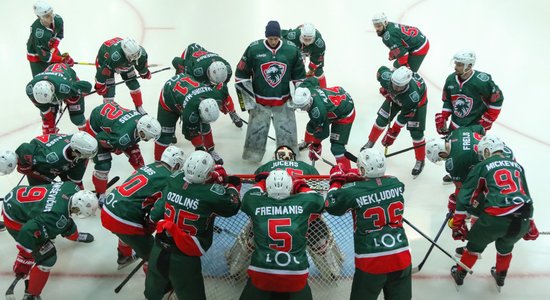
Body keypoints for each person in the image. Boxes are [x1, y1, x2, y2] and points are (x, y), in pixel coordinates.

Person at [226, 146, 343, 281]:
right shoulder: (307, 167)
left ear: (276, 157)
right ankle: (333, 273)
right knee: (321, 241)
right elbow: (318, 196)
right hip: (304, 217)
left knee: (250, 239)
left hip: (267, 216)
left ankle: (235, 271)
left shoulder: (266, 167)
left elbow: (256, 195)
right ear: (293, 157)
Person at [144, 150, 241, 300]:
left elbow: (156, 215)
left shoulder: (173, 179)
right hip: (184, 256)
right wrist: (231, 185)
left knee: (153, 291)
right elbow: (232, 205)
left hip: (158, 247)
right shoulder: (212, 194)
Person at [448, 135, 539, 290]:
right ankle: (501, 275)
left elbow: (466, 196)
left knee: (474, 247)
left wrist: (458, 223)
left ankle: (460, 273)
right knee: (506, 248)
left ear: (488, 151)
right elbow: (526, 196)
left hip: (494, 220)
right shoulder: (517, 166)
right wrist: (530, 223)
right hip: (522, 218)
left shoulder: (483, 166)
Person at [325, 149, 411, 300]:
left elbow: (331, 204)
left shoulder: (353, 191)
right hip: (401, 256)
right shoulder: (396, 183)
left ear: (363, 168)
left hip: (372, 261)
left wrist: (336, 181)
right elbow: (381, 184)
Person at [2, 181, 98, 300]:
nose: (77, 214)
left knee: (64, 222)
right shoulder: (55, 217)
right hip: (15, 219)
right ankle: (31, 294)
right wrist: (25, 258)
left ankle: (75, 236)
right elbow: (27, 231)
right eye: (78, 211)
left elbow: (63, 217)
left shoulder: (71, 187)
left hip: (17, 197)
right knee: (48, 258)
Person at [239, 170, 325, 300]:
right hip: (296, 271)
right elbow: (319, 200)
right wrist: (301, 185)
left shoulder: (254, 201)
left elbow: (249, 195)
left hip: (262, 269)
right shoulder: (305, 201)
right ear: (290, 187)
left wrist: (262, 182)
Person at [101, 146, 185, 269]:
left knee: (129, 234)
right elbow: (158, 211)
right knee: (155, 255)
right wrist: (151, 225)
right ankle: (159, 286)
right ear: (177, 165)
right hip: (123, 218)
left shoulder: (151, 166)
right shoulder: (170, 180)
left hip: (108, 208)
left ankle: (125, 256)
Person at [235, 20, 306, 162]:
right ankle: (252, 156)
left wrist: (298, 98)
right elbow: (241, 75)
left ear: (280, 36)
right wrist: (248, 102)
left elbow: (300, 76)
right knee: (256, 131)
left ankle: (288, 156)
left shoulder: (291, 50)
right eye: (270, 38)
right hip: (260, 102)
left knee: (287, 132)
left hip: (284, 100)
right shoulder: (254, 49)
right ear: (266, 36)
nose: (273, 41)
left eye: (276, 38)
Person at [84, 102, 161, 203]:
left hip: (116, 124)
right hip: (97, 126)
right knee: (103, 166)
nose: (149, 139)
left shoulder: (140, 122)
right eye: (148, 136)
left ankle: (146, 180)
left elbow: (130, 137)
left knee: (136, 157)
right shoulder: (121, 138)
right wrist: (115, 149)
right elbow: (100, 139)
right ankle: (100, 195)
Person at [362, 66, 428, 177]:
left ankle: (420, 160)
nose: (395, 88)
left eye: (399, 86)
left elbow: (403, 117)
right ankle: (370, 142)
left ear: (406, 84)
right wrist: (386, 90)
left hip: (416, 105)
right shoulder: (387, 78)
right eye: (394, 84)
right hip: (395, 99)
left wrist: (393, 132)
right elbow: (381, 70)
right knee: (381, 119)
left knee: (416, 133)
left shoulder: (413, 97)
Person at [154, 73, 223, 164]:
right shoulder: (190, 114)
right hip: (169, 98)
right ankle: (158, 163)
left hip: (185, 95)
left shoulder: (215, 94)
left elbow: (224, 92)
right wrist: (199, 146)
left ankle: (211, 149)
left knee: (205, 124)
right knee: (165, 134)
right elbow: (190, 133)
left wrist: (230, 110)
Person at [172, 43, 243, 127]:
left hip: (204, 64)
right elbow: (176, 61)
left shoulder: (227, 69)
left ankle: (232, 112)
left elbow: (223, 91)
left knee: (223, 95)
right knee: (189, 94)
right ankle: (182, 114)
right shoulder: (195, 69)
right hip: (191, 59)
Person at [291, 77, 355, 169]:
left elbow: (323, 133)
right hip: (337, 97)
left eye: (303, 107)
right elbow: (314, 80)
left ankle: (348, 174)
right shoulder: (303, 88)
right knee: (311, 126)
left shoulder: (318, 112)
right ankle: (306, 142)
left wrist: (316, 145)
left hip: (345, 112)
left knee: (337, 148)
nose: (302, 109)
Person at [436, 50, 504, 135]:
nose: (455, 67)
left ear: (468, 66)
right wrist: (444, 117)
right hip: (454, 126)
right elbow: (448, 100)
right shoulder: (451, 79)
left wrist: (488, 119)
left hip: (475, 129)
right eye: (456, 63)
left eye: (459, 65)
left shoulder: (482, 82)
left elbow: (497, 99)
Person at [8, 132, 97, 188]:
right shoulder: (51, 157)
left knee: (73, 188)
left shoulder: (78, 143)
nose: (88, 156)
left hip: (61, 161)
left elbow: (75, 182)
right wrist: (24, 166)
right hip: (46, 167)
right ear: (76, 150)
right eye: (87, 154)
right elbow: (24, 148)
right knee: (42, 194)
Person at [26, 63, 92, 134]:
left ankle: (87, 133)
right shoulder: (30, 91)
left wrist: (78, 92)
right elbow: (46, 111)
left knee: (76, 117)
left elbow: (87, 86)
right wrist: (50, 128)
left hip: (67, 83)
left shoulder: (64, 87)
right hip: (56, 88)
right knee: (47, 122)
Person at [94, 37, 151, 114]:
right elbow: (104, 71)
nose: (135, 57)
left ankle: (139, 107)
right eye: (133, 56)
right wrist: (99, 85)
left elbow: (141, 64)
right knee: (108, 93)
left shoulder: (141, 53)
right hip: (106, 61)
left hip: (125, 64)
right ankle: (107, 113)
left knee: (134, 85)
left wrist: (144, 72)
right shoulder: (115, 57)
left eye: (137, 54)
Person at [27, 1, 74, 76]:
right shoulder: (39, 34)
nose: (51, 17)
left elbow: (59, 35)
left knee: (61, 71)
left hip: (49, 46)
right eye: (47, 16)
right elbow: (45, 57)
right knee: (43, 78)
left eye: (51, 12)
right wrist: (61, 59)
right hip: (37, 55)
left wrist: (54, 48)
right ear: (39, 17)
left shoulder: (58, 20)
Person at [282, 23, 327, 88]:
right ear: (301, 35)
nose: (307, 42)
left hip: (313, 51)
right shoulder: (293, 36)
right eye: (305, 39)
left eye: (309, 39)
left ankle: (323, 90)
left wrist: (311, 69)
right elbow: (280, 35)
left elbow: (317, 62)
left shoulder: (319, 44)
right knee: (293, 67)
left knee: (318, 70)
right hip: (296, 48)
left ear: (314, 37)